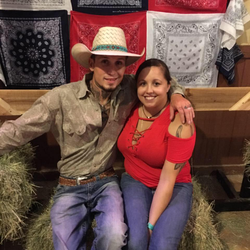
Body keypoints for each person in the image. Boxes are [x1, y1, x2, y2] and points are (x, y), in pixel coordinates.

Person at [0, 27, 194, 250]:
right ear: (91, 64)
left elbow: (165, 80)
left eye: (119, 63)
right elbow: (19, 130)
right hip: (70, 185)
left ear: (125, 67)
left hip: (106, 182)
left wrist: (177, 95)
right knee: (64, 246)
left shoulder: (132, 88)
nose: (112, 71)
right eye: (104, 62)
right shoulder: (61, 97)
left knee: (114, 236)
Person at [118, 58, 196, 250]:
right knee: (136, 243)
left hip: (174, 185)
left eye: (157, 84)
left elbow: (168, 180)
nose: (149, 90)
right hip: (135, 180)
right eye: (142, 84)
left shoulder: (181, 122)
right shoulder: (131, 106)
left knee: (161, 245)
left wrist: (151, 226)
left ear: (169, 85)